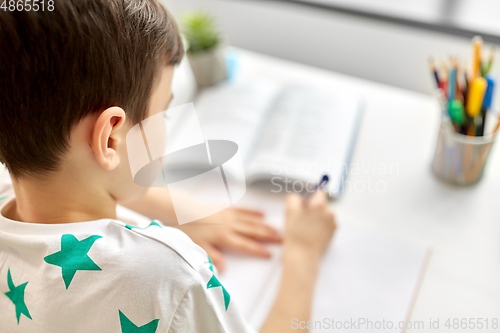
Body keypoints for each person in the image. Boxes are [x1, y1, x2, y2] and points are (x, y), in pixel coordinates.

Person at [0, 1, 336, 332]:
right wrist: (303, 254)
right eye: (163, 112)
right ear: (111, 139)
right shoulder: (168, 273)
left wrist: (170, 204)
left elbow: (68, 175)